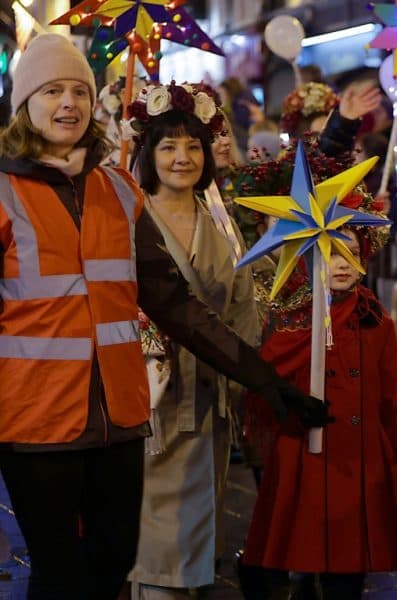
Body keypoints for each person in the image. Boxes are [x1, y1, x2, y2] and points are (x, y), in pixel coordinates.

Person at [0, 33, 325, 599]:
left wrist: (262, 377)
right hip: (36, 421)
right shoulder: (3, 192)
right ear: (25, 103)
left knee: (114, 562)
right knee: (58, 574)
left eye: (78, 90)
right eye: (52, 91)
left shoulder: (119, 190)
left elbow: (175, 303)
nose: (68, 104)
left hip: (119, 418)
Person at [241, 196, 397, 600]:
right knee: (303, 560)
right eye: (331, 252)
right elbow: (264, 386)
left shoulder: (375, 320)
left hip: (359, 463)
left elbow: (396, 402)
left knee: (347, 572)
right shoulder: (290, 320)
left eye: (351, 253)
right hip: (304, 456)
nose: (342, 263)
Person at [124, 82, 260, 598]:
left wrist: (245, 378)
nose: (182, 158)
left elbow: (244, 302)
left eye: (193, 146)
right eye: (168, 146)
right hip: (153, 402)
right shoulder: (132, 221)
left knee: (201, 533)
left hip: (211, 400)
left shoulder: (221, 224)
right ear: (147, 153)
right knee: (157, 546)